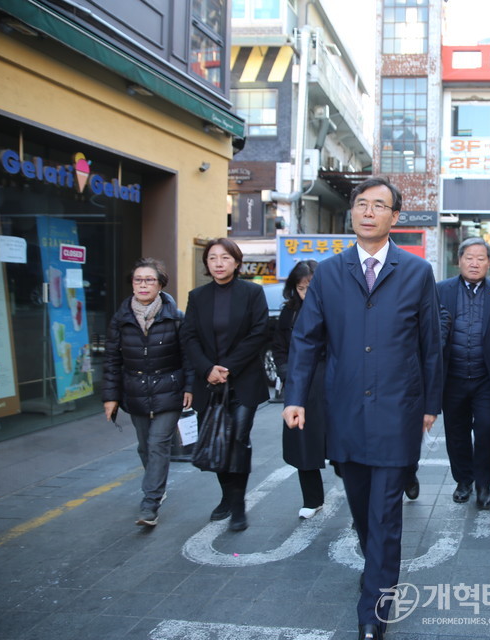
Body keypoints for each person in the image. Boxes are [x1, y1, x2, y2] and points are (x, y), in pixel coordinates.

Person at [282, 177, 442, 640]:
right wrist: (294, 398)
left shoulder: (416, 273)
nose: (368, 212)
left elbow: (431, 346)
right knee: (360, 507)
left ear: (395, 217)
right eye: (361, 204)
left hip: (398, 410)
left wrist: (431, 404)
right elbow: (306, 339)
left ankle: (374, 606)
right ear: (352, 212)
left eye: (379, 206)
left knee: (386, 511)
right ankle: (378, 569)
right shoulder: (329, 273)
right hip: (345, 409)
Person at [180, 238, 269, 532]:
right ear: (207, 264)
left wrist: (227, 367)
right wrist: (207, 369)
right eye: (213, 258)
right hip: (209, 382)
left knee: (238, 440)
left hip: (243, 380)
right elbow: (189, 337)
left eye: (225, 258)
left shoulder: (253, 292)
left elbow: (259, 334)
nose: (219, 263)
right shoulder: (197, 296)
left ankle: (239, 504)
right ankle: (227, 497)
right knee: (217, 439)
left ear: (236, 262)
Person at [102, 258, 193, 527]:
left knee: (158, 444)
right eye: (138, 280)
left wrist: (190, 387)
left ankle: (150, 502)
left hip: (170, 390)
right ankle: (157, 488)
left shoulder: (176, 318)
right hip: (136, 392)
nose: (143, 285)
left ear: (161, 284)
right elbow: (111, 360)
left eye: (149, 280)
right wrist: (110, 397)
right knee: (144, 446)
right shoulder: (121, 319)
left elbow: (188, 357)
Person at [436, 238, 490, 509]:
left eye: (480, 258)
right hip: (452, 379)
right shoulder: (441, 291)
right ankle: (463, 481)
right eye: (469, 257)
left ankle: (484, 485)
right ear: (459, 260)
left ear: (489, 263)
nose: (474, 263)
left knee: (486, 431)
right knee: (455, 433)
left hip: (486, 379)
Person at [272, 260, 328, 519]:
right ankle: (312, 499)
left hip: (331, 384)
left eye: (312, 287)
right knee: (301, 442)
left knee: (343, 447)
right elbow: (280, 350)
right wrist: (286, 373)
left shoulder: (338, 310)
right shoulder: (289, 313)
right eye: (302, 288)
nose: (307, 293)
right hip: (300, 386)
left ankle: (357, 503)